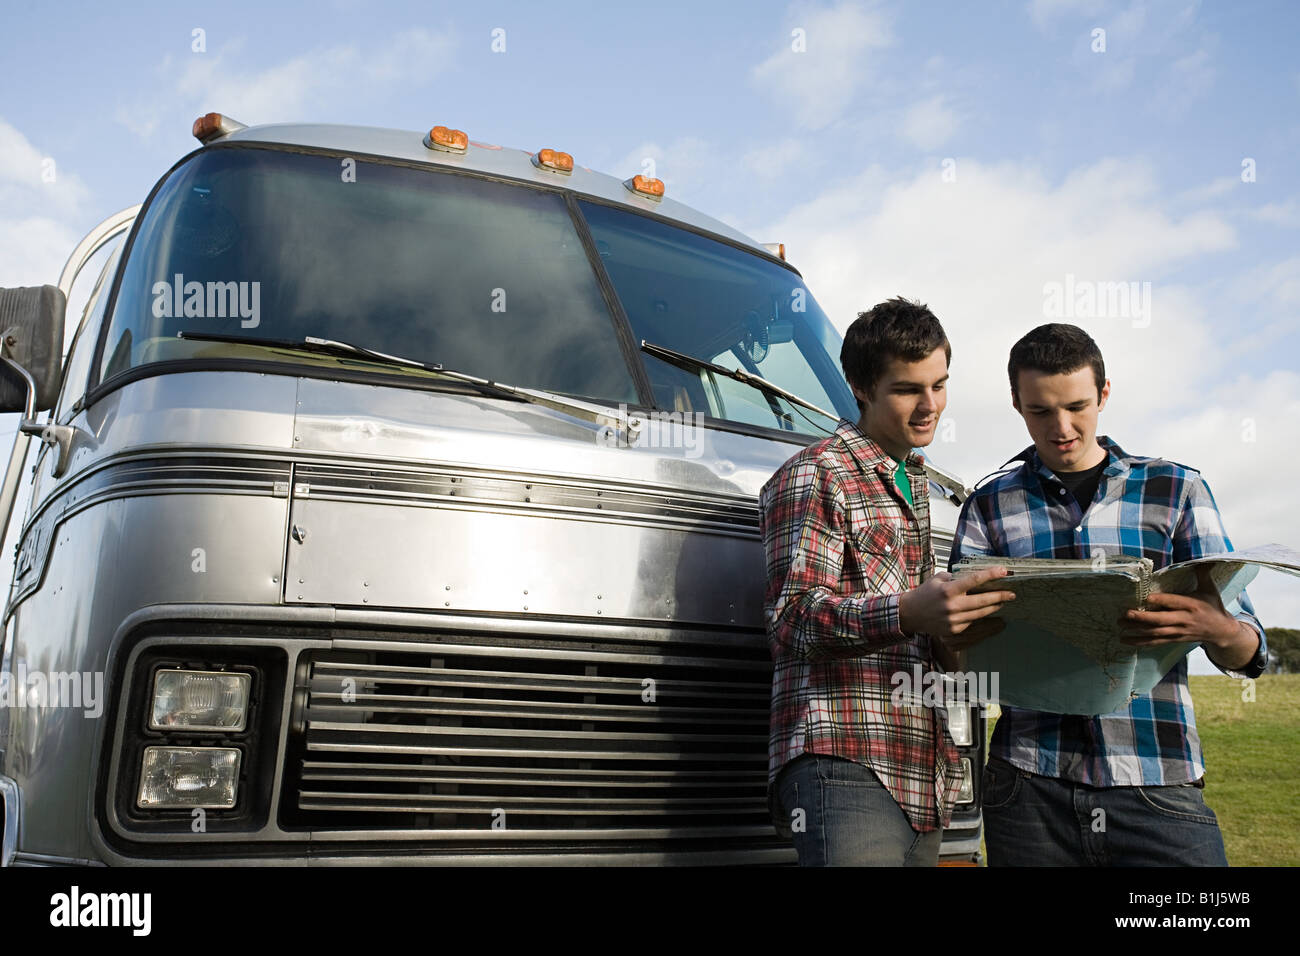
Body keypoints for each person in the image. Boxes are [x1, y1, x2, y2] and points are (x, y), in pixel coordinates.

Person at [950, 323, 1268, 866]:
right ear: (1015, 403)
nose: (1062, 428)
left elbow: (1249, 652)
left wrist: (1219, 628)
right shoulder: (986, 505)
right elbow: (960, 654)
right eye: (1040, 412)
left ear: (1104, 392)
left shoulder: (1178, 490)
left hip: (1156, 778)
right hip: (1028, 788)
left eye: (1077, 406)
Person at [759, 296, 1015, 866]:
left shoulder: (916, 482)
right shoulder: (815, 473)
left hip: (922, 771)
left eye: (940, 385)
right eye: (908, 390)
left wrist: (957, 636)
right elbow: (791, 620)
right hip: (845, 759)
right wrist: (907, 612)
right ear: (860, 387)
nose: (930, 406)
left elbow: (925, 632)